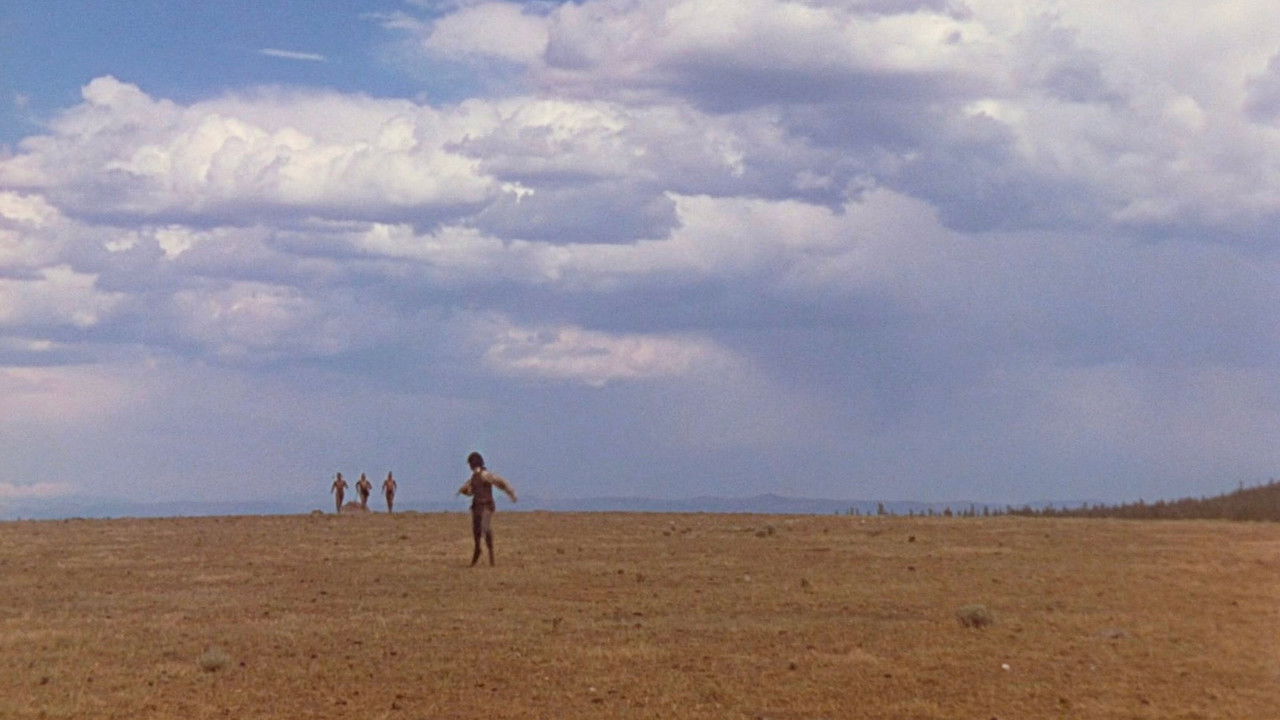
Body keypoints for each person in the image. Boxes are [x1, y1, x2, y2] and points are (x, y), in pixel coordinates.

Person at [456, 452, 517, 566]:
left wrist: (511, 493)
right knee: (477, 533)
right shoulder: (473, 477)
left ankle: (490, 554)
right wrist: (464, 491)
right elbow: (472, 492)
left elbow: (500, 482)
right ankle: (478, 551)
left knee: (485, 527)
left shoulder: (485, 475)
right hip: (476, 507)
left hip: (486, 507)